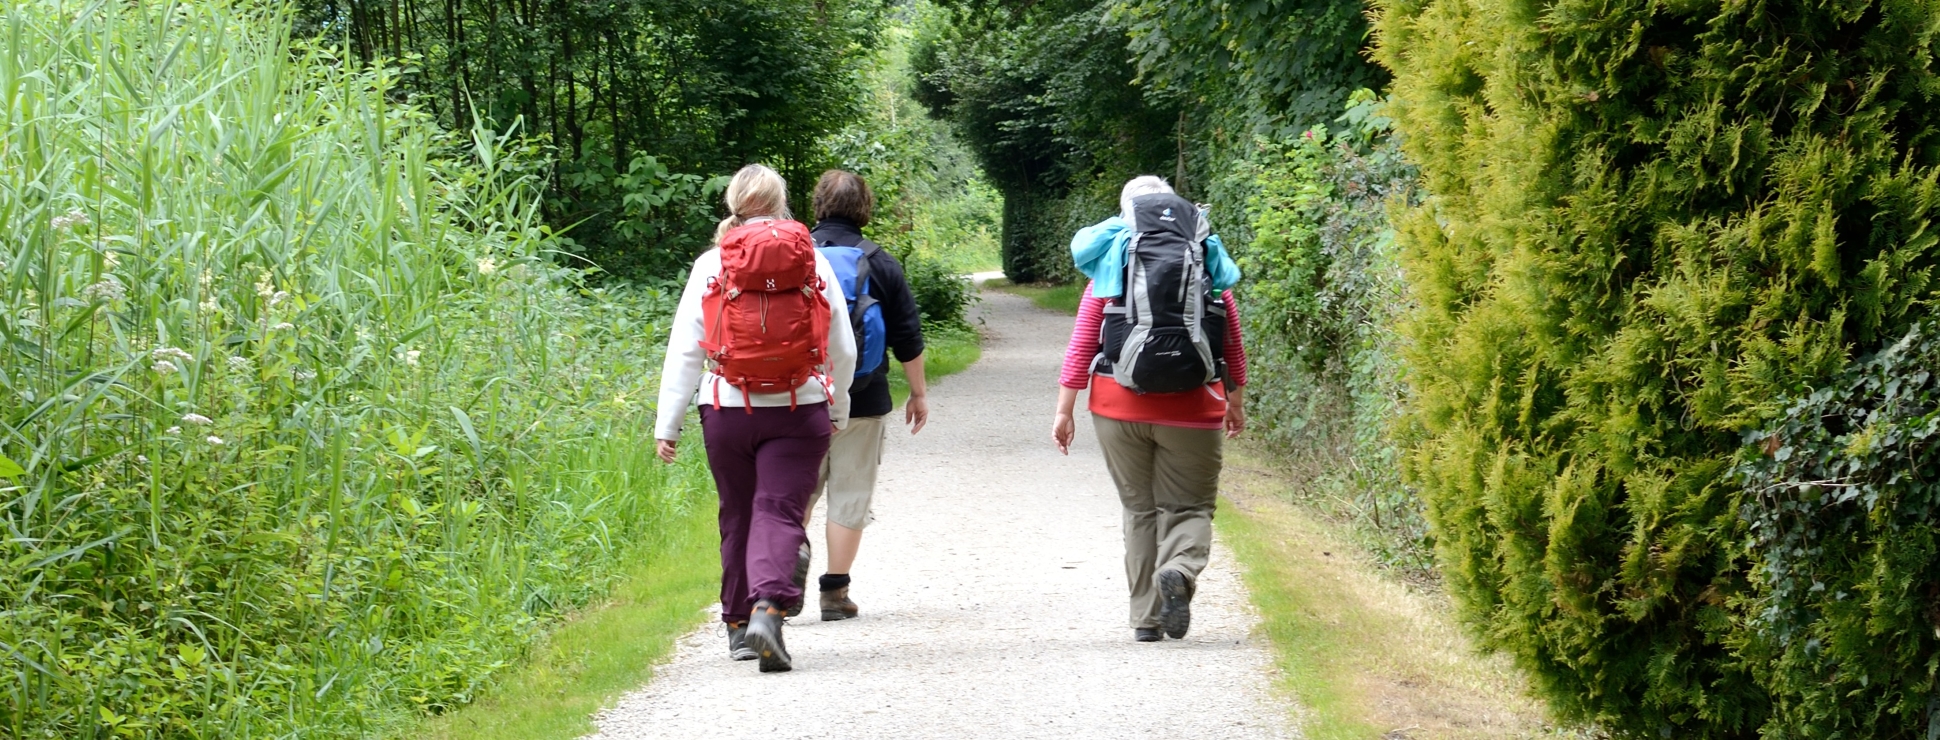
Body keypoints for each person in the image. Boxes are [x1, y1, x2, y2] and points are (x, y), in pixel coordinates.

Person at [654, 164, 857, 673]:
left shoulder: (711, 263)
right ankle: (770, 608)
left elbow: (684, 352)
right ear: (781, 203)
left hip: (726, 409)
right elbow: (842, 346)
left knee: (738, 512)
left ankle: (739, 625)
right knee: (779, 510)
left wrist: (668, 424)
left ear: (734, 204)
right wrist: (837, 404)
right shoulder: (813, 259)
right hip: (799, 405)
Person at [1051, 175, 1248, 643]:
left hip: (1117, 405)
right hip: (1194, 406)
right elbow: (1231, 338)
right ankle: (1179, 568)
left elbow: (1082, 344)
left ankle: (1146, 619)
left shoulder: (1110, 261)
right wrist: (1235, 398)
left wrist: (1065, 408)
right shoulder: (1205, 258)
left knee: (1139, 510)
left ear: (1124, 215)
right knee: (1190, 505)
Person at [803, 170, 930, 621]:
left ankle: (781, 574)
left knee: (796, 492)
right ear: (865, 208)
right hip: (864, 396)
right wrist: (917, 393)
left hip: (800, 397)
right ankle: (834, 594)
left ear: (817, 204)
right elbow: (907, 336)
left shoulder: (794, 255)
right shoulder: (880, 262)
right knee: (850, 493)